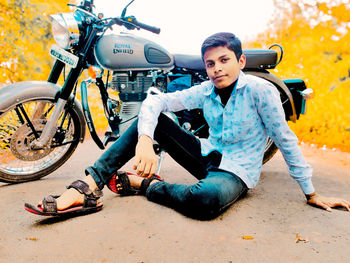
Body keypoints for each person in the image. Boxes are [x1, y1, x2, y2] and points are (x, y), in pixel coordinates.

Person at [25, 32, 350, 219]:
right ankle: (86, 189)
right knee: (149, 119)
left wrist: (311, 192)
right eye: (210, 63)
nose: (217, 69)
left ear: (240, 62)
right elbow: (155, 102)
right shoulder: (206, 89)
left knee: (205, 201)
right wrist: (144, 139)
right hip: (206, 156)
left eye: (224, 60)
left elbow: (286, 138)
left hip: (234, 172)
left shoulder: (260, 92)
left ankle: (143, 185)